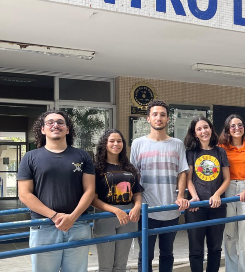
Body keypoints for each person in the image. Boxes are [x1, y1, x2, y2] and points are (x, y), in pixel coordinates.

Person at [17, 110, 95, 272]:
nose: (55, 125)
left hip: (78, 225)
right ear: (43, 129)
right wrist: (54, 216)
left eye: (60, 122)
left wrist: (72, 218)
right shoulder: (30, 157)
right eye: (50, 122)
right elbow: (24, 193)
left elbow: (90, 190)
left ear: (67, 129)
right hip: (44, 226)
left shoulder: (82, 156)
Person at [130, 100, 190, 272]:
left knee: (167, 254)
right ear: (148, 118)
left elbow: (182, 173)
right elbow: (135, 176)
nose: (159, 118)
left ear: (167, 119)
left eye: (162, 115)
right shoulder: (138, 144)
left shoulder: (177, 144)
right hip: (146, 210)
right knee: (145, 255)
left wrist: (180, 197)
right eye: (155, 114)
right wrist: (137, 203)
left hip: (171, 208)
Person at [92, 129, 144, 272]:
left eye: (119, 141)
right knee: (105, 266)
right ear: (105, 144)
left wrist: (137, 207)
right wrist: (115, 210)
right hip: (105, 217)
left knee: (121, 265)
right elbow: (93, 199)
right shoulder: (97, 168)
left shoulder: (129, 167)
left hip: (128, 217)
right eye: (112, 141)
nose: (116, 144)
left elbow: (137, 193)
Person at [184, 117, 230, 272]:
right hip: (197, 207)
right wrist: (194, 197)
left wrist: (217, 194)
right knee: (196, 249)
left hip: (217, 206)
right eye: (199, 129)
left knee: (215, 247)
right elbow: (188, 179)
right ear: (195, 133)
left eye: (206, 127)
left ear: (211, 129)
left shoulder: (220, 151)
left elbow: (227, 178)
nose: (203, 131)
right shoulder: (191, 153)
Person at [218, 114, 245, 272]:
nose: (237, 128)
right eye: (233, 126)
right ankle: (232, 269)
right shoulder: (222, 147)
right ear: (228, 129)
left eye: (240, 125)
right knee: (229, 233)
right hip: (227, 188)